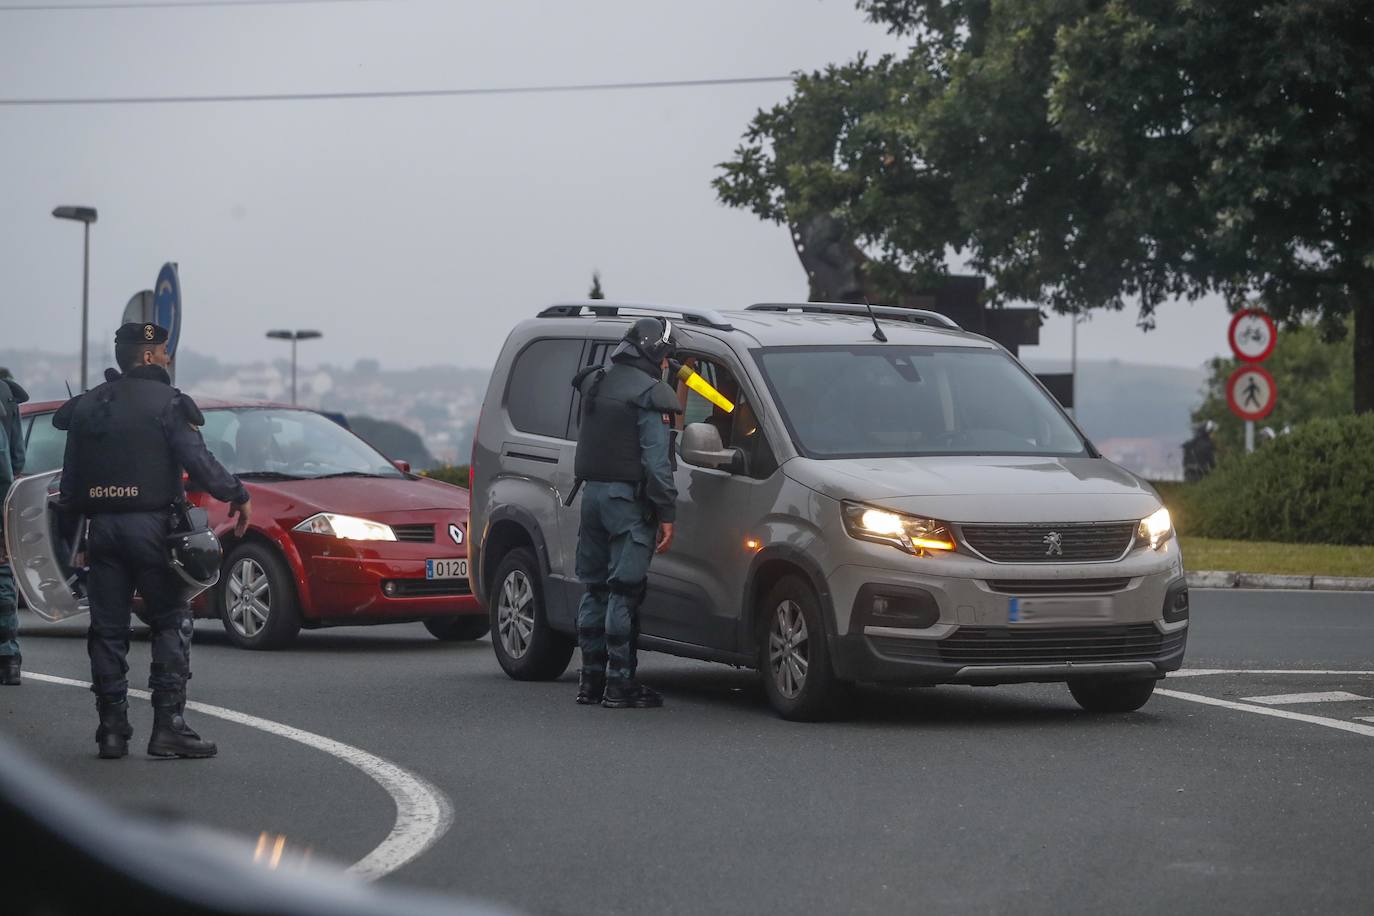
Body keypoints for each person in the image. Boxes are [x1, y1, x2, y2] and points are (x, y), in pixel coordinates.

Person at [54, 323, 252, 759]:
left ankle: (111, 730)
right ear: (147, 357)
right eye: (163, 351)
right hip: (152, 531)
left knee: (107, 631)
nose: (166, 358)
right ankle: (169, 728)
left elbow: (68, 491)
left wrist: (70, 544)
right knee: (170, 620)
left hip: (101, 531)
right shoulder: (168, 403)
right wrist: (237, 494)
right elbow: (199, 463)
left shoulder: (86, 407)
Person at [569, 317, 681, 709]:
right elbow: (656, 462)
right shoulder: (650, 393)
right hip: (626, 503)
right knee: (623, 591)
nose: (668, 363)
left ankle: (589, 681)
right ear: (656, 353)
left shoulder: (597, 380)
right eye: (667, 355)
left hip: (591, 499)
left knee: (595, 589)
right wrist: (666, 511)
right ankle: (619, 685)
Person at [0, 367, 29, 686]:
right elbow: (17, 457)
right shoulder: (7, 396)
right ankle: (8, 658)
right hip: (2, 499)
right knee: (4, 575)